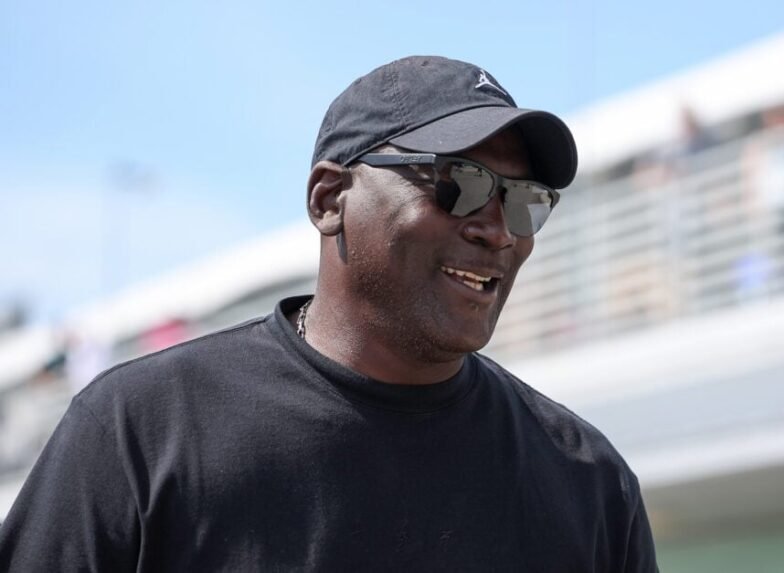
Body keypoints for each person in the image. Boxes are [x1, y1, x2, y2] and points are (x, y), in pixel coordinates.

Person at [0, 56, 658, 571]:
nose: (499, 230)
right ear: (329, 198)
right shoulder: (143, 429)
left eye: (524, 200)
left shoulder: (587, 481)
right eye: (461, 183)